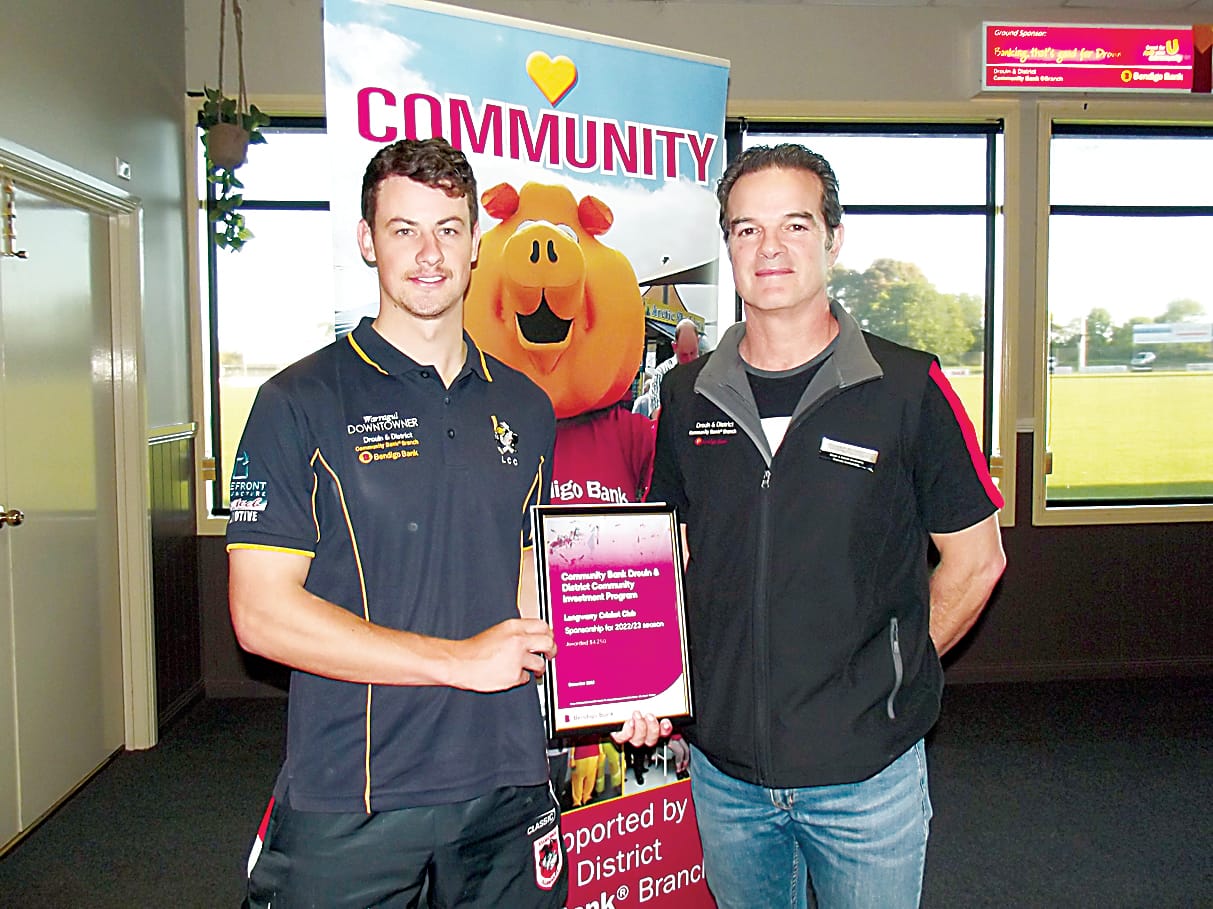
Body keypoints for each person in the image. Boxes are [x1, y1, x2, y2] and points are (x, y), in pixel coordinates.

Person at [648, 143, 1007, 908]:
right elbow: (664, 557)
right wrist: (646, 675)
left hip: (865, 777)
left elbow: (975, 560)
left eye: (794, 225)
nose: (769, 248)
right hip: (726, 776)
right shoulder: (684, 397)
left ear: (833, 239)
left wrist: (892, 671)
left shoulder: (906, 385)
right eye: (745, 230)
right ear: (729, 245)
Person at [226, 137, 569, 907]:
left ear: (477, 243)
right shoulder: (298, 402)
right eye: (403, 229)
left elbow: (525, 570)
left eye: (448, 228)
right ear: (365, 239)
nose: (428, 253)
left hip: (507, 779)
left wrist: (619, 680)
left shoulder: (525, 406)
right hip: (356, 785)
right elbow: (260, 615)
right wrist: (457, 660)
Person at [634, 317, 701, 417]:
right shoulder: (661, 373)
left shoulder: (705, 372)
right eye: (684, 355)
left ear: (698, 342)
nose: (689, 359)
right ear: (674, 347)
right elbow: (655, 414)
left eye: (693, 352)